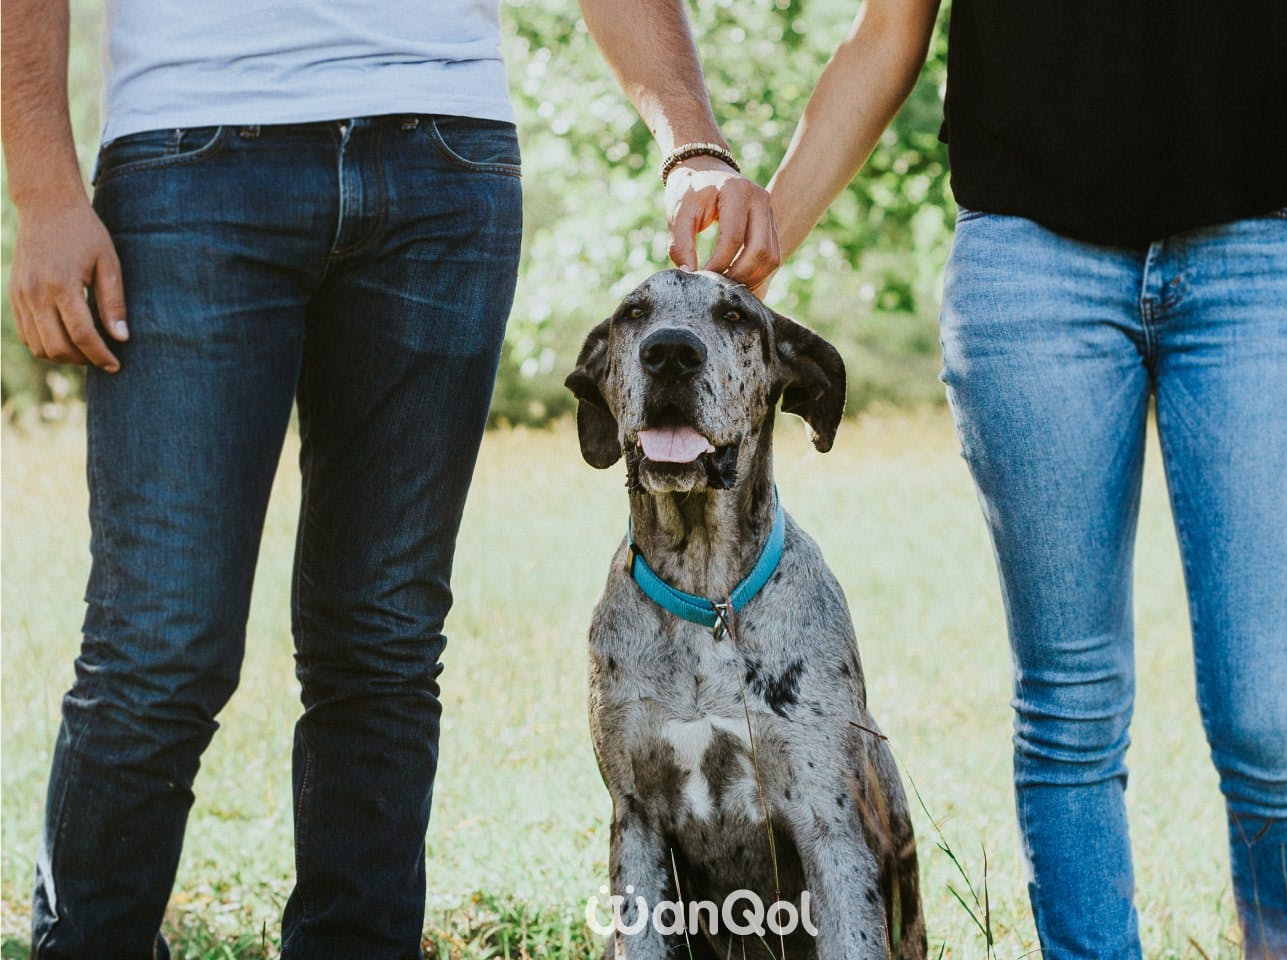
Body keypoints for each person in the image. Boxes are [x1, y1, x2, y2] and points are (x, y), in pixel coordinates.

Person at [1, 0, 777, 954]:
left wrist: (692, 145)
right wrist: (42, 188)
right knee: (159, 645)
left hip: (443, 159)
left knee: (382, 639)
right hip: (188, 159)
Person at [750, 1, 1287, 957]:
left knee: (1270, 715)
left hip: (1260, 259)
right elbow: (888, 32)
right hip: (1031, 263)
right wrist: (766, 236)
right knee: (1070, 705)